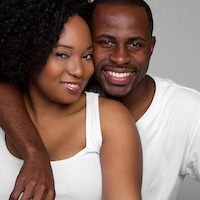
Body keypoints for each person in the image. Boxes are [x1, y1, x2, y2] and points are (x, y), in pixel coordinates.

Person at [0, 0, 200, 199]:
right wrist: (35, 153)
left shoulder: (184, 109)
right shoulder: (66, 85)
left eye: (135, 44)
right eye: (105, 42)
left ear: (151, 47)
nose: (120, 58)